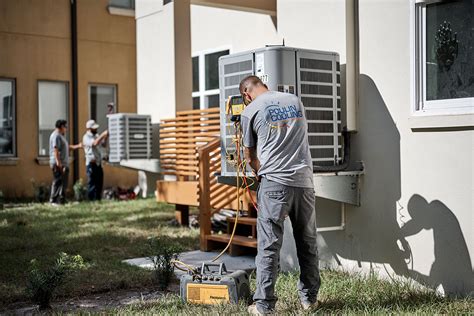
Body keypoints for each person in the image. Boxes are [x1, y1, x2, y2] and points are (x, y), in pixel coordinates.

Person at [239, 76, 320, 315]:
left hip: (274, 184)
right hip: (304, 183)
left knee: (269, 246)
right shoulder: (295, 101)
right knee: (307, 242)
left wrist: (258, 170)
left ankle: (264, 305)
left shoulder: (250, 110)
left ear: (246, 94)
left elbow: (249, 155)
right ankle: (309, 299)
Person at [49, 119, 82, 205]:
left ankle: (62, 200)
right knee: (57, 181)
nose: (66, 128)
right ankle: (53, 200)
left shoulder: (61, 136)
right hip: (59, 163)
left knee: (63, 182)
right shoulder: (56, 136)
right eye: (65, 126)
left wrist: (77, 146)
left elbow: (67, 147)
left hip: (64, 163)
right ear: (61, 126)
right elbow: (55, 149)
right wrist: (58, 163)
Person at [82, 119, 108, 201]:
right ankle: (91, 200)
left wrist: (105, 137)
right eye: (94, 128)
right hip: (91, 164)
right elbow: (94, 144)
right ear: (89, 128)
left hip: (98, 163)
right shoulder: (86, 137)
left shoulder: (96, 135)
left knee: (99, 182)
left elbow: (102, 144)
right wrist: (102, 134)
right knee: (92, 183)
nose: (96, 129)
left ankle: (98, 199)